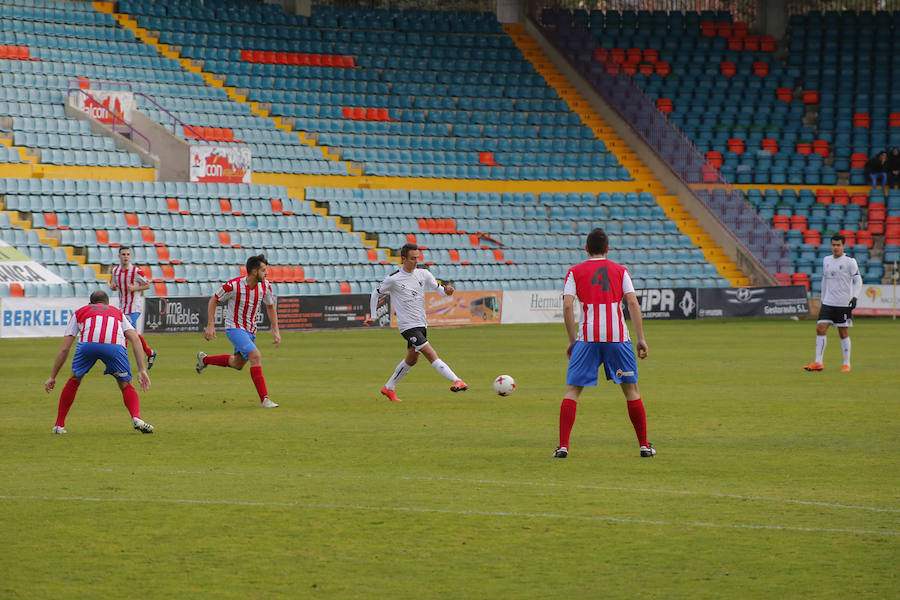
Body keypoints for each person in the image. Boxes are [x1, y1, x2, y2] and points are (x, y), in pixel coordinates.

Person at [553, 228, 654, 459]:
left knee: (572, 392)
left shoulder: (574, 271)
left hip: (587, 338)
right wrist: (641, 338)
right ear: (608, 249)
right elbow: (632, 303)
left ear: (586, 248)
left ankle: (563, 446)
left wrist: (571, 341)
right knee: (631, 391)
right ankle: (644, 446)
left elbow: (567, 306)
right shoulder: (621, 270)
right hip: (618, 338)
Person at [363, 243, 467, 402]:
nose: (416, 261)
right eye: (412, 258)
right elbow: (375, 293)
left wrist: (448, 292)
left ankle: (388, 388)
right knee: (430, 353)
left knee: (412, 360)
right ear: (403, 259)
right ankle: (456, 380)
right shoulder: (394, 279)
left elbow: (440, 291)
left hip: (421, 324)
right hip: (407, 327)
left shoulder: (424, 274)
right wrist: (373, 315)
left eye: (417, 258)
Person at [44, 290, 153, 434]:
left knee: (74, 380)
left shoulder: (80, 312)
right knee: (125, 385)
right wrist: (142, 370)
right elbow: (135, 339)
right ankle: (136, 417)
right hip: (114, 346)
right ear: (107, 303)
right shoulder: (117, 313)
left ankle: (59, 425)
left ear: (90, 303)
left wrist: (53, 377)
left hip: (88, 344)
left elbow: (65, 349)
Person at [195, 254, 281, 408]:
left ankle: (205, 360)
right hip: (234, 328)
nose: (266, 273)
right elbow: (214, 299)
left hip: (251, 331)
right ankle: (265, 399)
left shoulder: (265, 286)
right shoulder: (233, 285)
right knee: (255, 356)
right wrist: (210, 325)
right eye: (263, 270)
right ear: (254, 272)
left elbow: (270, 306)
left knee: (237, 364)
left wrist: (276, 331)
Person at [804, 234, 862, 373]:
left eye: (838, 245)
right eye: (833, 245)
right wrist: (822, 298)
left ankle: (846, 363)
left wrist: (855, 297)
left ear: (843, 246)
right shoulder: (826, 260)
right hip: (828, 302)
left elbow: (858, 280)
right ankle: (818, 362)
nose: (835, 247)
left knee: (843, 332)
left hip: (843, 303)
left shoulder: (850, 262)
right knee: (820, 328)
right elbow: (825, 280)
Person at [109, 246, 157, 370]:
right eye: (123, 254)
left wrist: (135, 288)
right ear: (119, 256)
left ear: (130, 256)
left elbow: (148, 285)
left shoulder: (136, 271)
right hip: (122, 307)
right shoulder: (115, 271)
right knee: (132, 333)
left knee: (125, 333)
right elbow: (113, 285)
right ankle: (150, 353)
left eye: (128, 254)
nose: (125, 256)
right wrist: (113, 287)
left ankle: (120, 362)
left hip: (134, 307)